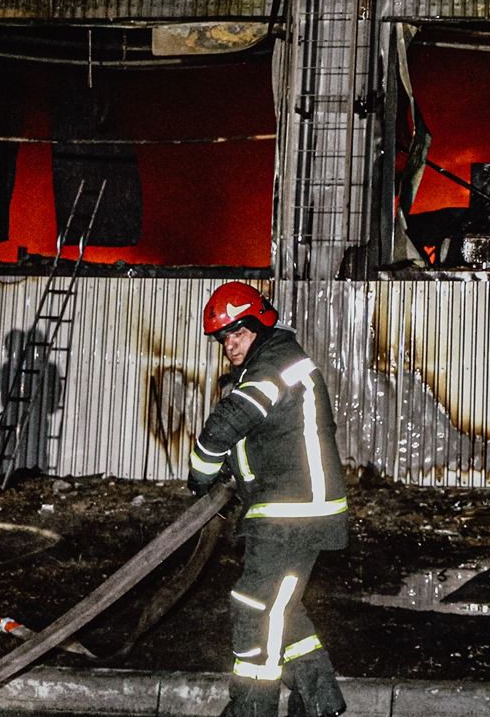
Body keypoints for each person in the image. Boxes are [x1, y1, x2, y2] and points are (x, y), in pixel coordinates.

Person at [187, 282, 347, 717]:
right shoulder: (272, 364)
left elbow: (228, 423)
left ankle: (252, 707)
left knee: (256, 606)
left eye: (237, 333)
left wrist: (201, 472)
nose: (230, 345)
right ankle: (318, 701)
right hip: (290, 508)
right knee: (280, 607)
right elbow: (260, 436)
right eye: (223, 338)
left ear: (260, 324)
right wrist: (229, 469)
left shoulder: (274, 365)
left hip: (292, 511)